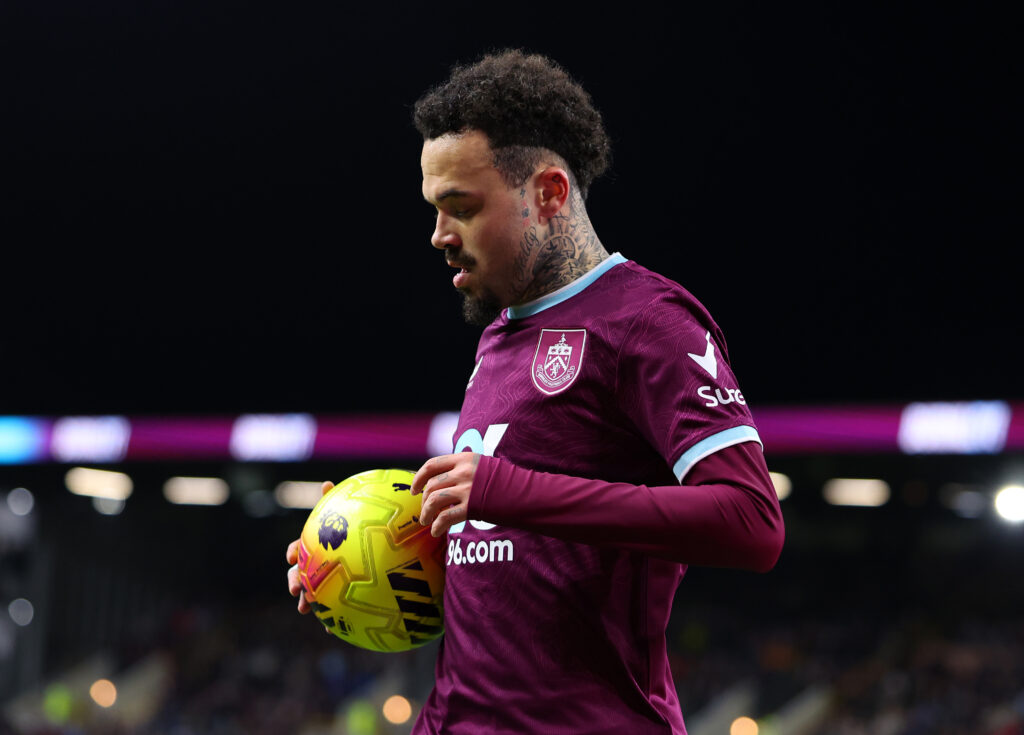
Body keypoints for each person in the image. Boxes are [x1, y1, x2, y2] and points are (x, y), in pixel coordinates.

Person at [288, 49, 784, 734]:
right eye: (435, 210)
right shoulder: (498, 336)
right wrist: (354, 550)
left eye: (461, 208)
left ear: (549, 192)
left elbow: (751, 523)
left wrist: (507, 490)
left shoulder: (648, 320)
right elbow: (507, 562)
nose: (439, 235)